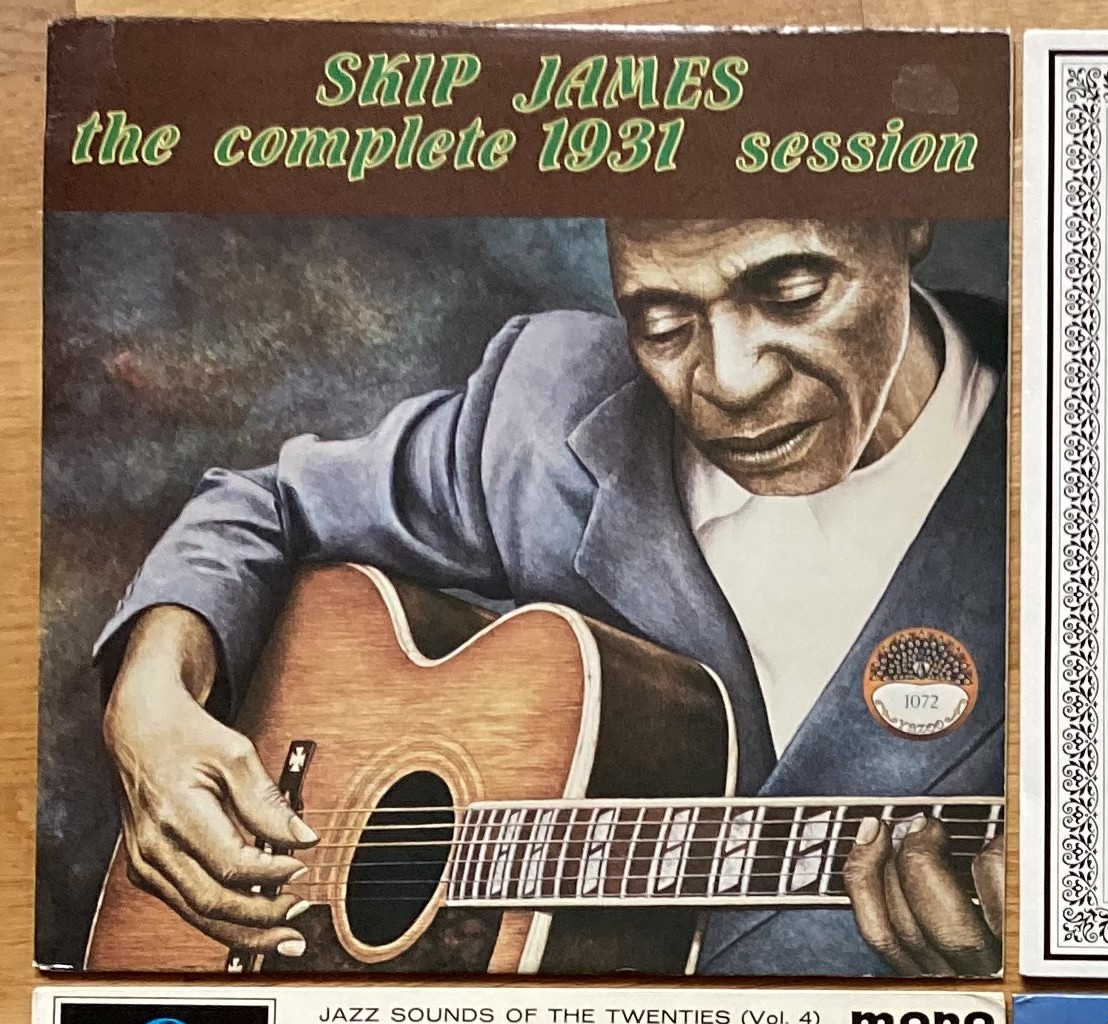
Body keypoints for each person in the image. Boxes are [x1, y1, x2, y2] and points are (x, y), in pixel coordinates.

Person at [95, 217, 1002, 979]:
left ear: (910, 212)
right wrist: (153, 698)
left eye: (794, 292)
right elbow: (266, 508)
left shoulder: (1073, 504)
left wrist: (1009, 978)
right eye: (664, 323)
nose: (731, 379)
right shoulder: (547, 406)